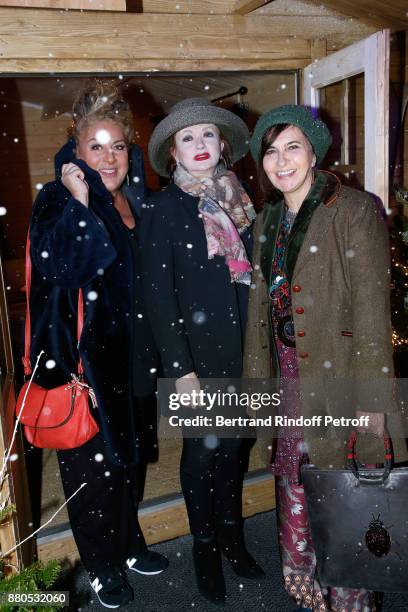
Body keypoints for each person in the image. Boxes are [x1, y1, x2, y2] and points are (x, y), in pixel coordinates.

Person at [244, 104, 408, 612]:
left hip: (337, 374)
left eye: (293, 146)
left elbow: (371, 314)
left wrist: (372, 402)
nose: (282, 160)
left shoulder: (354, 209)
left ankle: (350, 596)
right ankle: (309, 587)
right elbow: (259, 310)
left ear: (314, 151)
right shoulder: (267, 216)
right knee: (296, 481)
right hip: (289, 380)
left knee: (344, 490)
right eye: (271, 151)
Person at [27, 81, 168, 609]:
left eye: (117, 146)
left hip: (132, 358)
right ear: (76, 150)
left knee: (128, 462)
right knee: (92, 472)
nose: (108, 156)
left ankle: (128, 543)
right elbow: (63, 268)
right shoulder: (58, 200)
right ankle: (102, 563)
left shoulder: (135, 198)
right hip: (84, 365)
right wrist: (82, 203)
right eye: (96, 146)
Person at [142, 97, 263, 604]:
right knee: (202, 453)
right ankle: (206, 548)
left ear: (223, 146)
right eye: (188, 138)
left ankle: (233, 538)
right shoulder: (164, 209)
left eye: (208, 136)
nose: (199, 146)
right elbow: (157, 293)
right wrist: (180, 369)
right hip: (197, 358)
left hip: (244, 351)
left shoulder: (241, 200)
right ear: (173, 151)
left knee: (236, 447)